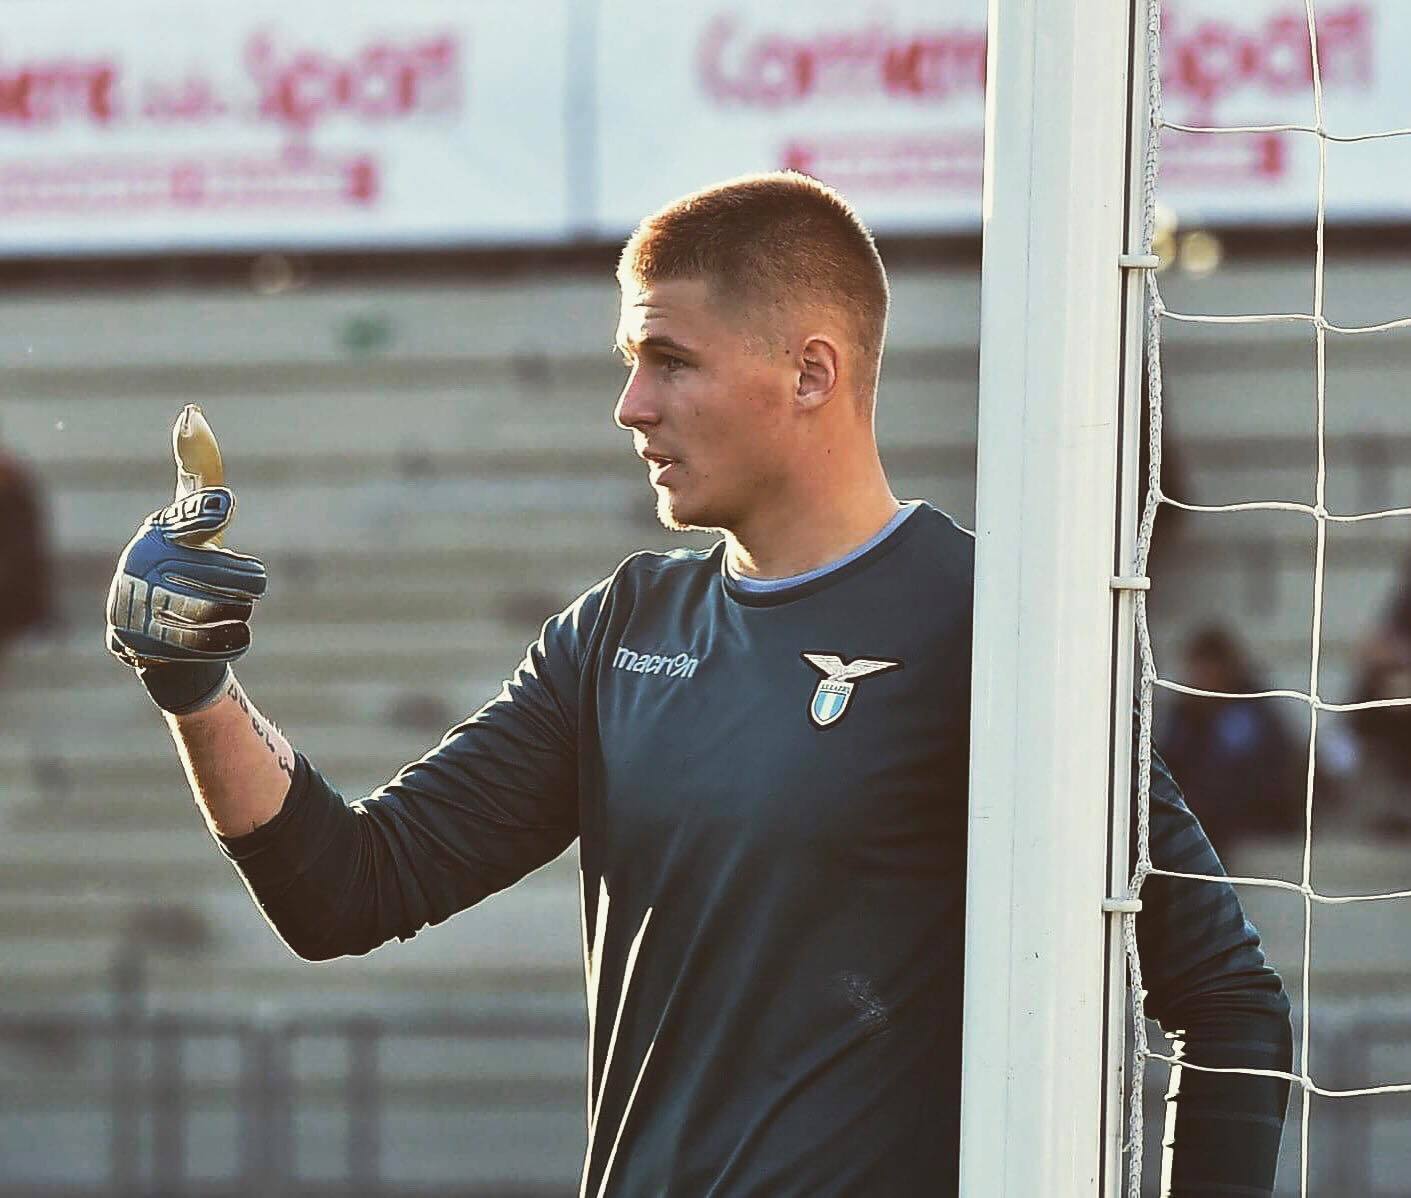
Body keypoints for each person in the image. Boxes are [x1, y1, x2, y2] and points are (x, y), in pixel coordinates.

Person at [105, 173, 1292, 1195]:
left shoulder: (993, 628)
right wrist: (198, 688)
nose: (630, 406)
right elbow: (346, 890)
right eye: (632, 363)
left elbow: (1228, 1001)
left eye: (667, 361)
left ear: (811, 373)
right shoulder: (620, 628)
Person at [1158, 624, 1305, 859]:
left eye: (1209, 669)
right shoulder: (1184, 715)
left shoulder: (1254, 711)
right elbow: (1170, 766)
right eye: (1196, 669)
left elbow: (1268, 775)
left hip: (1257, 809)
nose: (1201, 678)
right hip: (1201, 805)